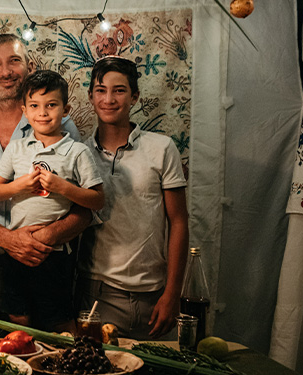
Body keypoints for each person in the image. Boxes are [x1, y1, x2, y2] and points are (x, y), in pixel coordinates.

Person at [0, 34, 92, 336]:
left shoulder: (62, 127)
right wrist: (7, 239)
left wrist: (45, 237)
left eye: (14, 61)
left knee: (52, 350)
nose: (5, 71)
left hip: (47, 258)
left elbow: (85, 204)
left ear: (28, 66)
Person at [77, 56, 189, 340]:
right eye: (101, 90)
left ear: (134, 96)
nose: (109, 99)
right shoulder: (77, 153)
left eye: (119, 90)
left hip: (154, 295)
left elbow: (179, 221)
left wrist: (173, 293)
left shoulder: (162, 148)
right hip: (97, 293)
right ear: (90, 96)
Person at [0, 70, 104, 331]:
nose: (43, 113)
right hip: (16, 250)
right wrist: (20, 185)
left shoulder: (77, 151)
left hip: (56, 255)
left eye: (51, 105)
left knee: (58, 319)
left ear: (65, 110)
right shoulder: (16, 149)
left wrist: (63, 187)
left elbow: (97, 200)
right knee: (17, 317)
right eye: (35, 106)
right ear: (24, 111)